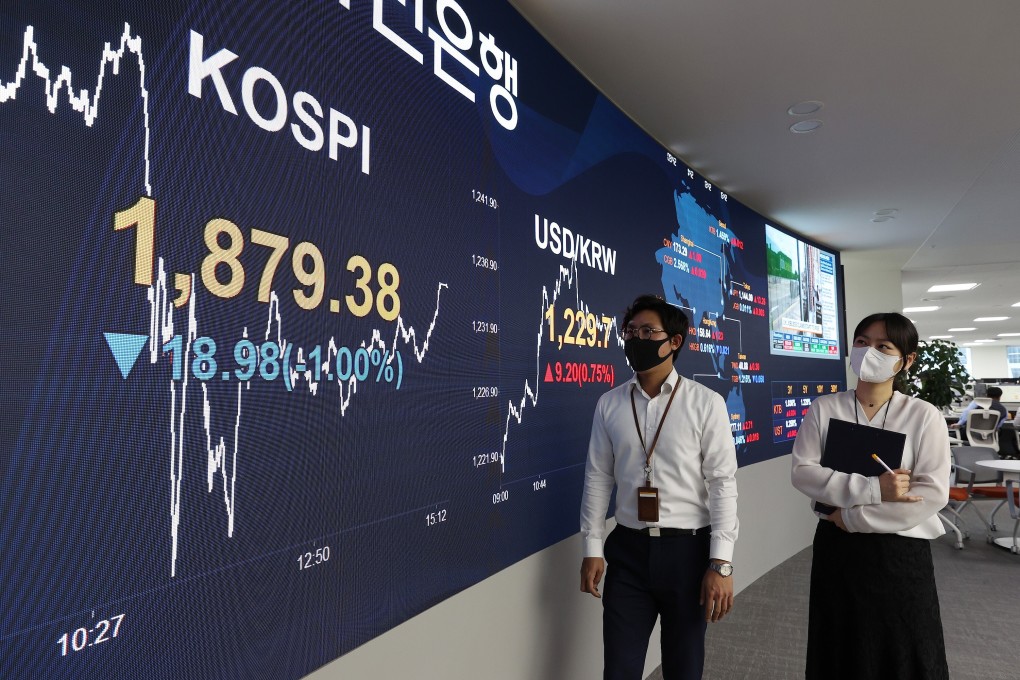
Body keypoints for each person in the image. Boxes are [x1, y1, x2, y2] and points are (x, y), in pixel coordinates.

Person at [579, 294, 738, 680]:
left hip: (688, 552)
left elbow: (722, 484)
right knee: (619, 668)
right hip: (628, 552)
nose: (637, 338)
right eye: (631, 331)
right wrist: (592, 547)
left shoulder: (706, 404)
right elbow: (598, 477)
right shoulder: (610, 404)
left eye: (648, 331)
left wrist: (720, 562)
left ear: (675, 342)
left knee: (683, 668)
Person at [791, 312, 950, 680]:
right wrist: (874, 489)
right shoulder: (825, 408)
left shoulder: (923, 416)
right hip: (838, 551)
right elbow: (804, 472)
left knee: (904, 649)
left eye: (883, 346)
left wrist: (852, 517)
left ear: (906, 359)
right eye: (862, 342)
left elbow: (930, 494)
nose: (868, 352)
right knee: (838, 647)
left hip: (899, 555)